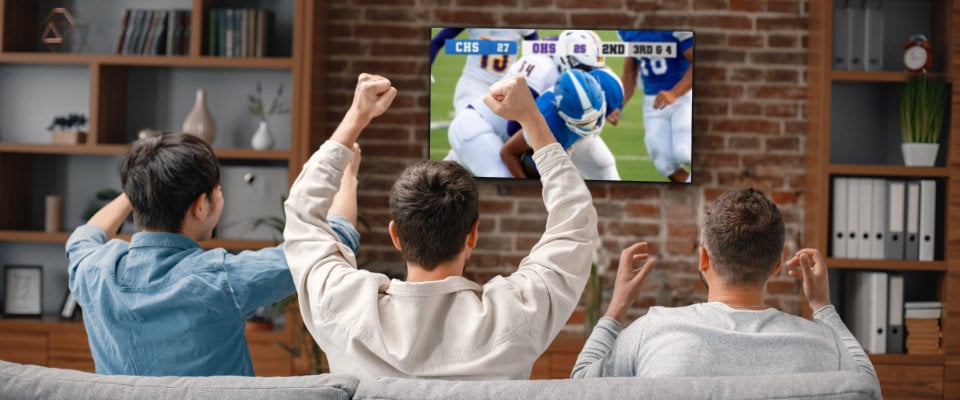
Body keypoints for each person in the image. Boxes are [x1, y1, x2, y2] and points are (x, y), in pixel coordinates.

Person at [283, 73, 598, 379]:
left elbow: (301, 214)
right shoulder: (517, 313)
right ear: (472, 234)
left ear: (395, 234)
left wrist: (356, 118)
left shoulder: (341, 305)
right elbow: (576, 221)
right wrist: (531, 117)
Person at [66, 132, 361, 376]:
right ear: (200, 206)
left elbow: (87, 235)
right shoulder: (220, 279)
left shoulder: (94, 269)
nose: (221, 196)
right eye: (217, 190)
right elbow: (332, 243)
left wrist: (145, 185)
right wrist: (348, 176)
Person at [571, 188, 877, 383]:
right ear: (776, 264)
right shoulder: (823, 344)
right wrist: (823, 307)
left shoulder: (651, 332)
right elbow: (868, 388)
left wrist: (616, 308)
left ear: (704, 259)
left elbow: (580, 386)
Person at [445, 30, 605, 178]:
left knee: (437, 186)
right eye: (585, 68)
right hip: (477, 129)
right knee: (507, 186)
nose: (587, 75)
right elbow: (513, 125)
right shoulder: (540, 67)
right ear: (567, 58)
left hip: (491, 134)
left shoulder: (562, 75)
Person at [500, 68, 624, 180]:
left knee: (605, 166)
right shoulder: (544, 123)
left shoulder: (609, 86)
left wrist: (615, 109)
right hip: (555, 137)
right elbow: (508, 152)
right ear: (563, 114)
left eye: (595, 118)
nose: (591, 125)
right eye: (584, 122)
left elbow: (613, 106)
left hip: (574, 135)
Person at [618, 30, 693, 182]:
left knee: (684, 152)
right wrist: (617, 106)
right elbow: (630, 74)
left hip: (683, 97)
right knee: (664, 163)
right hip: (652, 103)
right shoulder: (629, 32)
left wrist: (675, 93)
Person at [430, 28, 539, 115]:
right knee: (469, 128)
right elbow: (436, 42)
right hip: (472, 85)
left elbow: (535, 54)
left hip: (503, 90)